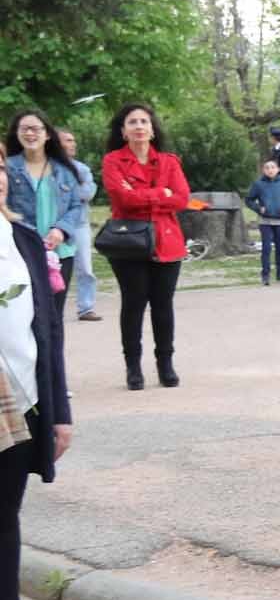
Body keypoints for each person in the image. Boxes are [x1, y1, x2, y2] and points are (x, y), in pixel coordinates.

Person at [0, 165, 74, 600]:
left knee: (4, 517)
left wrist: (59, 412)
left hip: (19, 401)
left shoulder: (24, 239)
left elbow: (48, 329)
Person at [99, 102, 188, 389]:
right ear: (123, 131)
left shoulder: (169, 161)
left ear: (152, 129)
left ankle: (165, 363)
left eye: (144, 122)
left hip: (167, 241)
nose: (139, 126)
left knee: (163, 305)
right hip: (129, 242)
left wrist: (140, 194)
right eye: (132, 122)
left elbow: (182, 198)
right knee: (134, 303)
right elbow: (121, 199)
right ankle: (133, 367)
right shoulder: (113, 161)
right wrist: (161, 193)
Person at [5, 111, 83, 318]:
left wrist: (61, 229)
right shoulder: (8, 168)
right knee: (27, 315)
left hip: (60, 253)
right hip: (22, 252)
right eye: (24, 129)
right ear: (17, 133)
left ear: (47, 134)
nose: (30, 133)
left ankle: (54, 352)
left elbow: (77, 206)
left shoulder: (64, 169)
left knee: (55, 316)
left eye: (36, 128)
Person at [58, 131, 102, 322]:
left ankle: (86, 308)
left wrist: (64, 192)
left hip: (80, 225)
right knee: (54, 267)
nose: (73, 144)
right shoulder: (48, 168)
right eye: (68, 140)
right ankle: (53, 308)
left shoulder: (81, 169)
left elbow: (87, 193)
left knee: (85, 268)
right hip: (55, 225)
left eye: (73, 140)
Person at [246, 158, 280, 285]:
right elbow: (248, 200)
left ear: (278, 169)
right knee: (266, 248)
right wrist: (259, 208)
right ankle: (265, 276)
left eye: (272, 167)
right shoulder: (258, 184)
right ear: (263, 170)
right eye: (267, 168)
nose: (270, 170)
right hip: (265, 220)